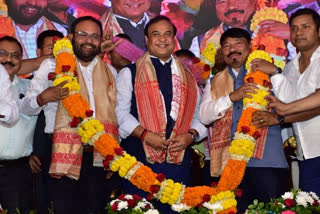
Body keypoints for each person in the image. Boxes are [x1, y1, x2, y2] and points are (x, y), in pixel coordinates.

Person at [21, 16, 119, 214]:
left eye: (94, 36)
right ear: (71, 37)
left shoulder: (109, 71)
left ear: (100, 41)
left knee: (95, 209)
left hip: (97, 155)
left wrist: (113, 155)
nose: (88, 40)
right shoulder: (51, 66)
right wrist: (43, 98)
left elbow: (114, 115)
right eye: (83, 35)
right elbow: (25, 107)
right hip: (60, 150)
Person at [116, 15, 206, 213]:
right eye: (156, 35)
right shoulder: (129, 72)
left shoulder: (190, 77)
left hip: (178, 161)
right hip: (138, 156)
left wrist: (190, 136)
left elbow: (201, 117)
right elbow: (120, 114)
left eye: (168, 34)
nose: (162, 39)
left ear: (174, 39)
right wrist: (145, 135)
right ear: (146, 40)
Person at [199, 28, 288, 213]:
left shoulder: (270, 73)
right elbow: (204, 115)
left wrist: (278, 116)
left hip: (267, 161)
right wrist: (231, 97)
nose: (233, 49)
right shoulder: (215, 81)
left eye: (238, 43)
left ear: (250, 46)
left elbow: (291, 101)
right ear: (222, 52)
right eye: (227, 46)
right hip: (229, 164)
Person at [259, 8, 320, 196]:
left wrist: (282, 113)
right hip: (306, 153)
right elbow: (293, 105)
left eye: (305, 27)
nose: (298, 33)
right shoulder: (290, 68)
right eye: (293, 28)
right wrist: (275, 73)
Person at [27, 30, 64, 214]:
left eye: (61, 48)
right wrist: (28, 153)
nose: (56, 54)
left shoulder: (70, 78)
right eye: (51, 48)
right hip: (38, 154)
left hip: (66, 148)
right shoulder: (25, 85)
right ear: (39, 52)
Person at [0, 36, 37, 214]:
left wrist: (35, 153)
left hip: (17, 172)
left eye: (15, 55)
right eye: (3, 54)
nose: (9, 59)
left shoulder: (31, 89)